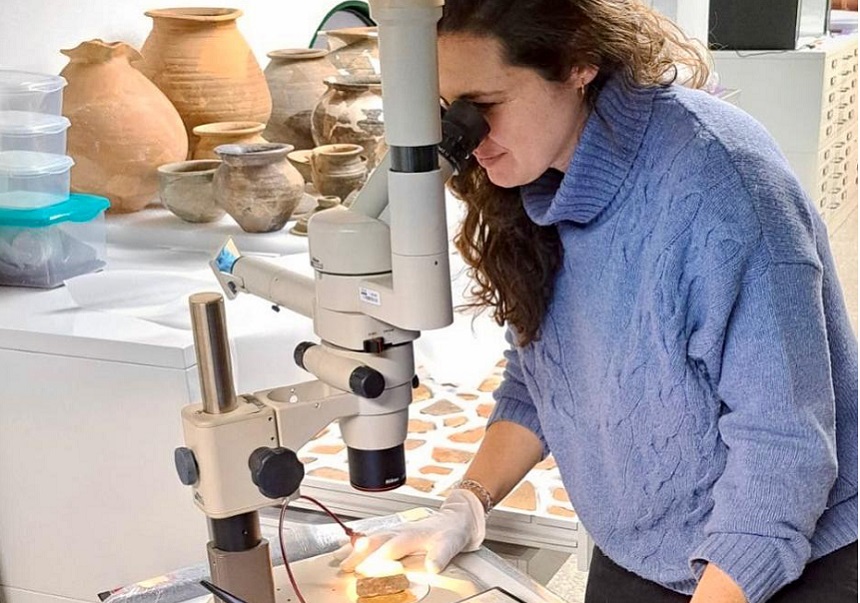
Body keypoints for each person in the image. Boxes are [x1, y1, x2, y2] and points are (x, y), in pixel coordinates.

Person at [337, 1, 859, 602]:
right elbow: (542, 380)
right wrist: (463, 507)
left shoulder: (723, 188)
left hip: (781, 559)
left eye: (483, 107)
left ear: (578, 64)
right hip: (640, 551)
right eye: (447, 108)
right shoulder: (534, 180)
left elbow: (784, 454)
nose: (466, 137)